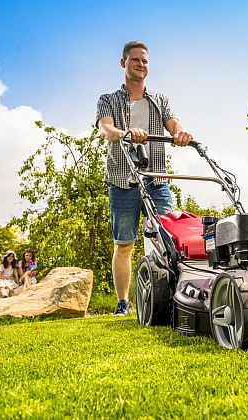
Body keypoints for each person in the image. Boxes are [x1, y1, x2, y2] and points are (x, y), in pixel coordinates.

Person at [95, 40, 193, 316]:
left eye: (145, 61)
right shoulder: (108, 99)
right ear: (123, 63)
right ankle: (123, 303)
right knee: (124, 243)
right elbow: (106, 129)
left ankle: (174, 298)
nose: (141, 64)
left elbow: (174, 123)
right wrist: (125, 133)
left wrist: (182, 133)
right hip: (122, 180)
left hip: (156, 179)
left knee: (169, 239)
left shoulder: (160, 100)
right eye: (136, 60)